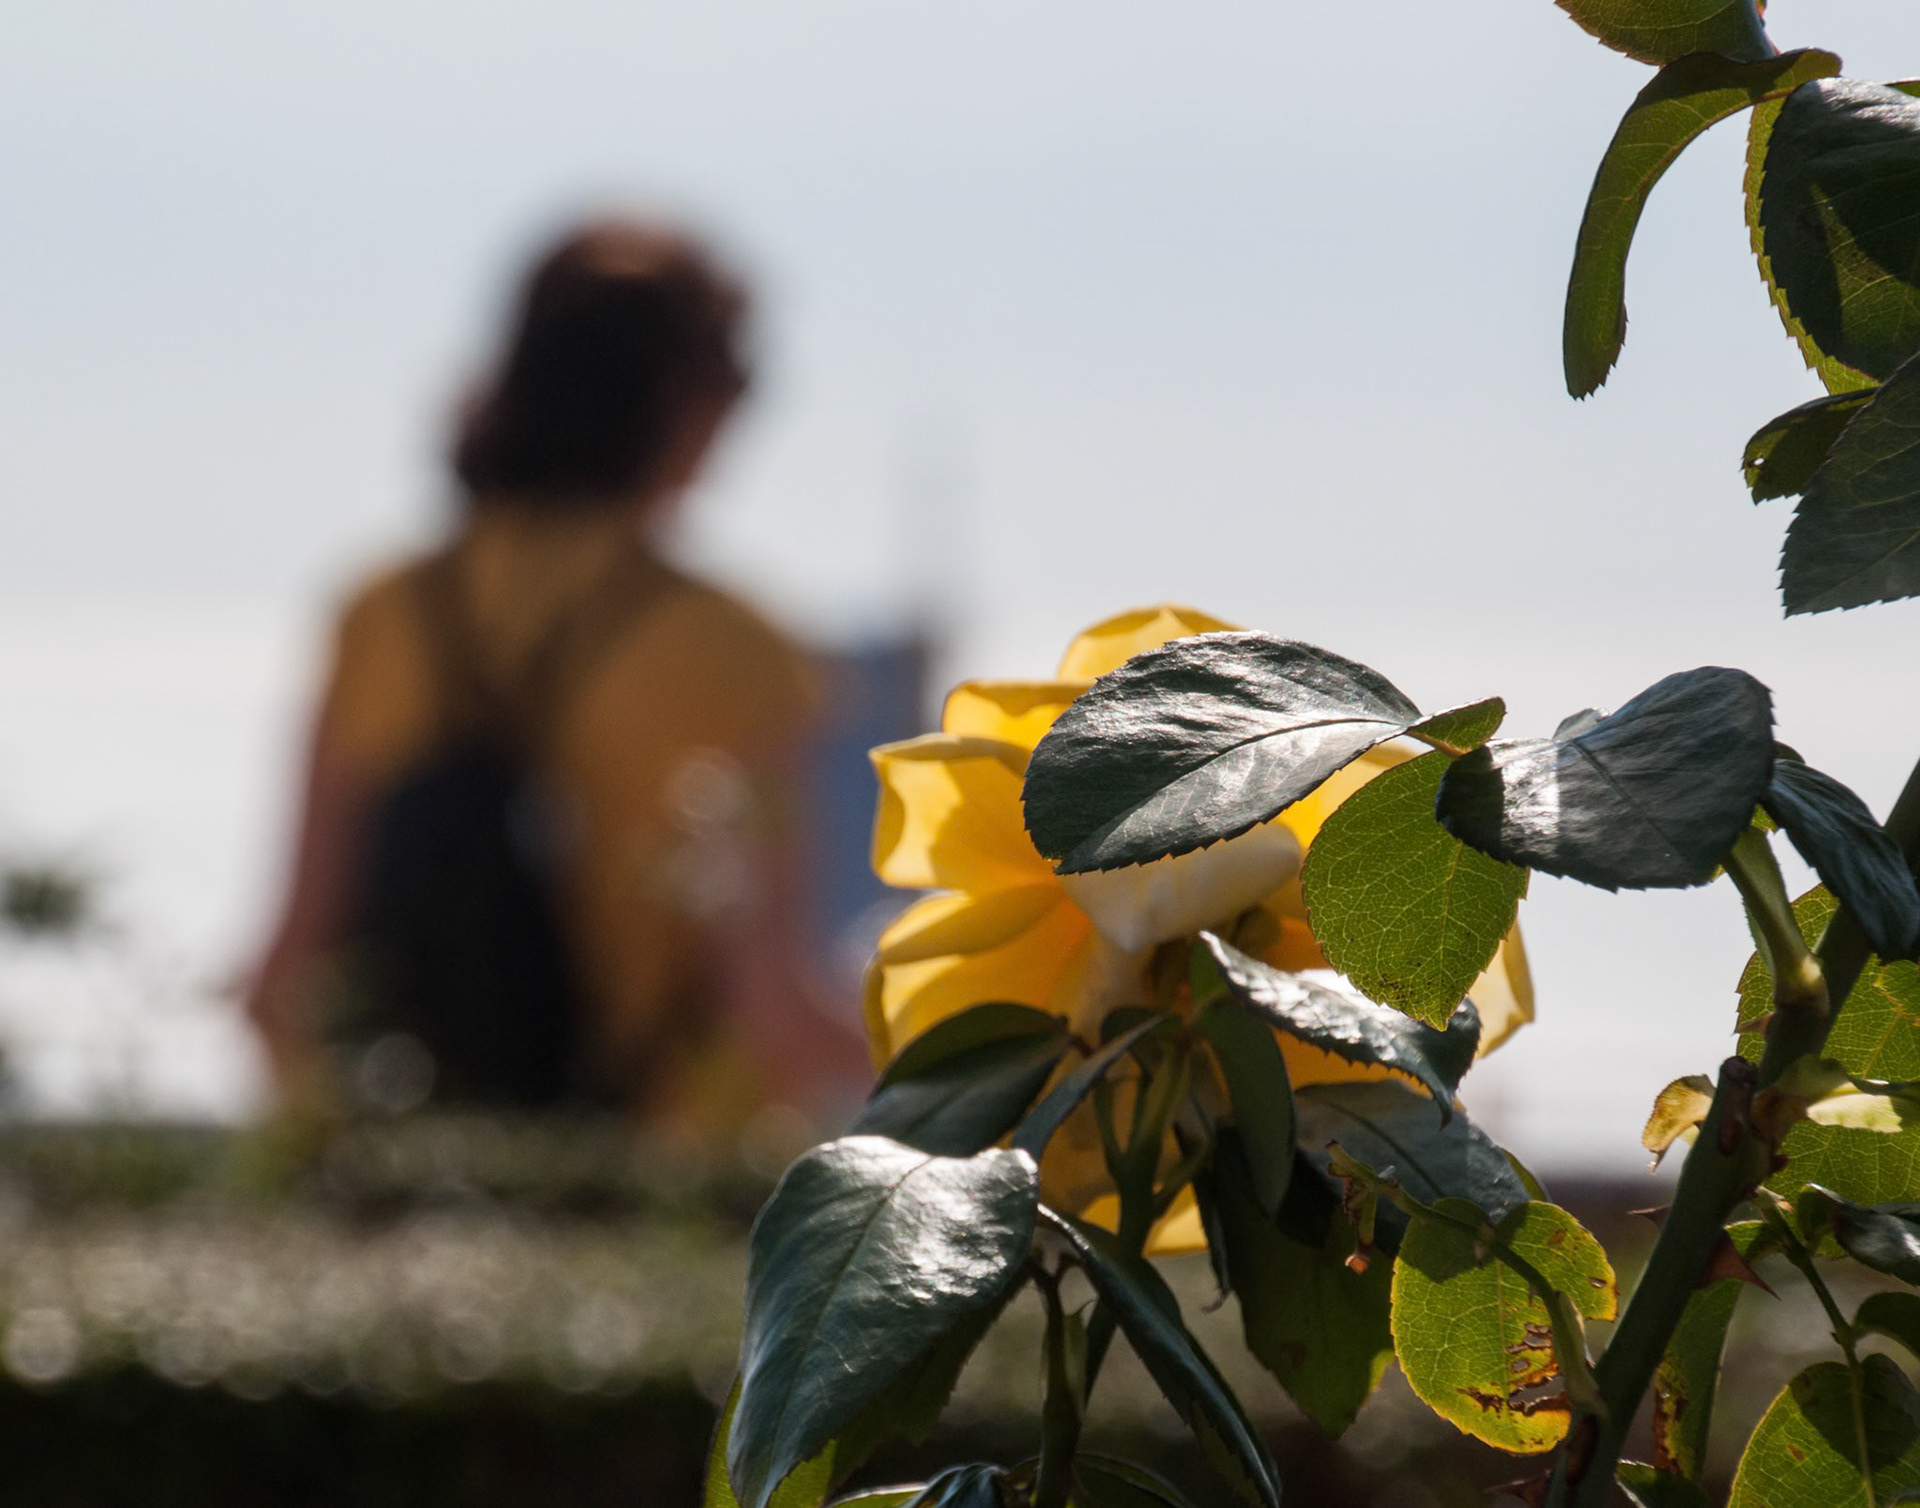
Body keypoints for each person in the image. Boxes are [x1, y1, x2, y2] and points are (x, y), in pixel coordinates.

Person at [246, 219, 868, 1145]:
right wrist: (1007, 1092)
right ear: (687, 401)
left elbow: (287, 979)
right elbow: (769, 1016)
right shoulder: (736, 648)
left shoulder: (383, 612)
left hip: (405, 1167)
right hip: (646, 1181)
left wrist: (344, 1174)